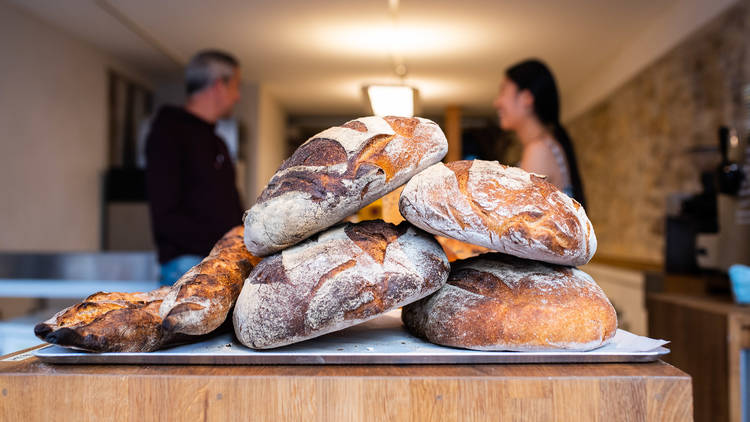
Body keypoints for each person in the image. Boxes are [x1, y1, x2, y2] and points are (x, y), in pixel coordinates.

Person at [146, 50, 244, 285]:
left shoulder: (217, 141)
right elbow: (165, 215)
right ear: (219, 85)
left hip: (222, 261)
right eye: (236, 86)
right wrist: (224, 243)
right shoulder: (168, 133)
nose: (238, 96)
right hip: (189, 266)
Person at [492, 59, 587, 208]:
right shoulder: (545, 145)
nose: (496, 102)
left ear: (526, 98)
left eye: (503, 91)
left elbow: (522, 218)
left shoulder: (539, 150)